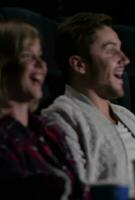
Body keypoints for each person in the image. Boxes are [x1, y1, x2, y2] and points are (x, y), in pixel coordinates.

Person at [42, 12, 135, 198]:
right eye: (111, 50)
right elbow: (72, 193)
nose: (125, 59)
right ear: (79, 65)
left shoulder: (127, 116)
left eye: (121, 49)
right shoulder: (61, 117)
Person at [0, 21, 85, 200]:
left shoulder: (49, 130)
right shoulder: (3, 135)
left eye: (40, 55)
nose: (41, 65)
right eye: (27, 56)